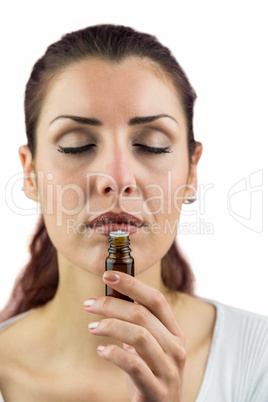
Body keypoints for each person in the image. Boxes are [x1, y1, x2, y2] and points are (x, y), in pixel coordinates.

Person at [0, 24, 267, 402]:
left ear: (192, 171)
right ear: (30, 174)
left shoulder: (259, 362)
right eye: (77, 146)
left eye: (152, 146)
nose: (118, 178)